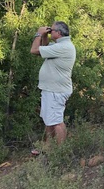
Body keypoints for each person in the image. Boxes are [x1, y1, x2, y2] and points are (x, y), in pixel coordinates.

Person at [30, 21, 76, 149]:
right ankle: (48, 147)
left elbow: (34, 50)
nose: (50, 31)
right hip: (51, 89)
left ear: (59, 33)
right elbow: (44, 48)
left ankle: (60, 152)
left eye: (52, 30)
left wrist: (39, 33)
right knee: (49, 120)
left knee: (57, 122)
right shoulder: (60, 45)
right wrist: (45, 36)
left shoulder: (63, 47)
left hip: (56, 91)